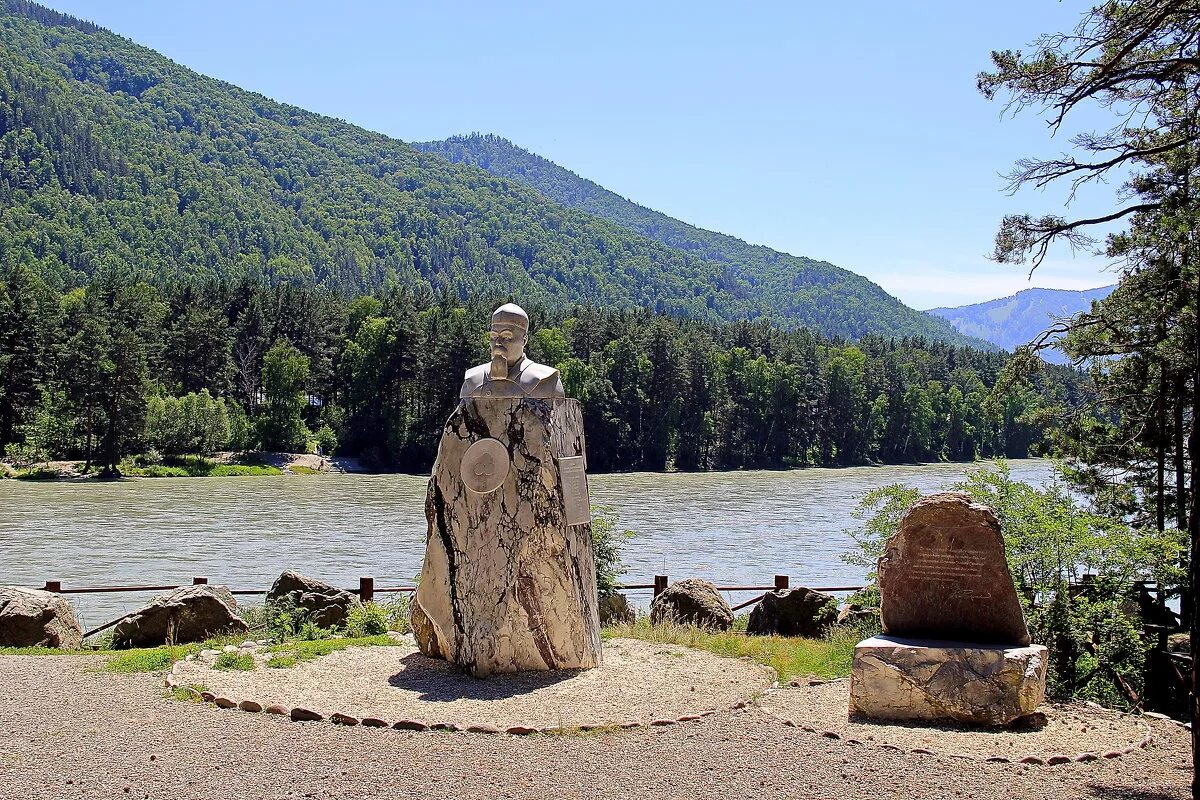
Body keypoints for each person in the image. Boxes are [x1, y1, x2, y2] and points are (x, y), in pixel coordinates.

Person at [459, 303, 566, 399]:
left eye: (506, 337)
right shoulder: (472, 381)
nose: (498, 343)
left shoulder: (546, 381)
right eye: (494, 337)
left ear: (524, 340)